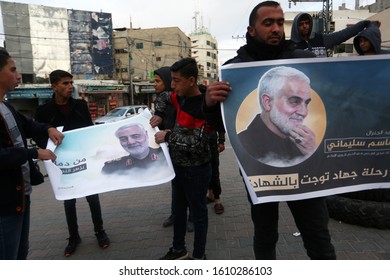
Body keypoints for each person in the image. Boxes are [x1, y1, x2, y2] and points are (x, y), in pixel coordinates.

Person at [204, 1, 336, 260]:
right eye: (268, 23)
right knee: (265, 234)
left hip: (306, 173)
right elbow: (222, 126)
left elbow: (332, 111)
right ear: (251, 29)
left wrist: (313, 153)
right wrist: (209, 103)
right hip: (258, 172)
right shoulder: (235, 69)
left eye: (279, 22)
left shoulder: (305, 61)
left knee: (318, 235)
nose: (276, 28)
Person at [35, 69, 110, 257]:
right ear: (54, 86)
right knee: (68, 200)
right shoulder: (43, 111)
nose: (70, 87)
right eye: (65, 83)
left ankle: (100, 232)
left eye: (71, 83)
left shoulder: (81, 105)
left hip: (85, 158)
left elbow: (89, 130)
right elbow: (39, 137)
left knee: (92, 196)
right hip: (61, 163)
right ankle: (73, 237)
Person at [0, 48, 63, 259]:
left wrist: (47, 129)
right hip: (4, 204)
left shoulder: (6, 106)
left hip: (20, 197)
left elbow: (28, 125)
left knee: (20, 253)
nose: (18, 75)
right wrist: (34, 152)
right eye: (13, 69)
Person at [154, 57, 213, 260]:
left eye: (176, 80)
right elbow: (163, 97)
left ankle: (198, 256)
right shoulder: (179, 96)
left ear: (191, 80)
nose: (172, 85)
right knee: (178, 212)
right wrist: (160, 114)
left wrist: (168, 136)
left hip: (197, 170)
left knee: (198, 216)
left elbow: (196, 142)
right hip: (177, 166)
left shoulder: (207, 106)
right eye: (171, 79)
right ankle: (178, 249)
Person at [238, 66, 316, 167]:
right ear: (267, 102)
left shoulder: (304, 144)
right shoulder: (244, 143)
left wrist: (312, 153)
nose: (304, 112)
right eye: (294, 101)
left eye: (306, 103)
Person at [291, 12, 370, 57]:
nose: (305, 26)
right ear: (295, 27)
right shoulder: (290, 47)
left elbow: (344, 34)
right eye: (301, 24)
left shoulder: (321, 39)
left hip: (323, 82)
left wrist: (363, 24)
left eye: (307, 23)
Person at [101, 123, 166, 174]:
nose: (130, 142)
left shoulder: (165, 154)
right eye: (123, 139)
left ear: (146, 134)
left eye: (136, 136)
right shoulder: (112, 167)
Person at [206, 128, 226, 214]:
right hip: (195, 143)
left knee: (214, 172)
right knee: (203, 172)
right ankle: (211, 195)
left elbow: (220, 123)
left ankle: (217, 200)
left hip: (211, 143)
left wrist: (221, 141)